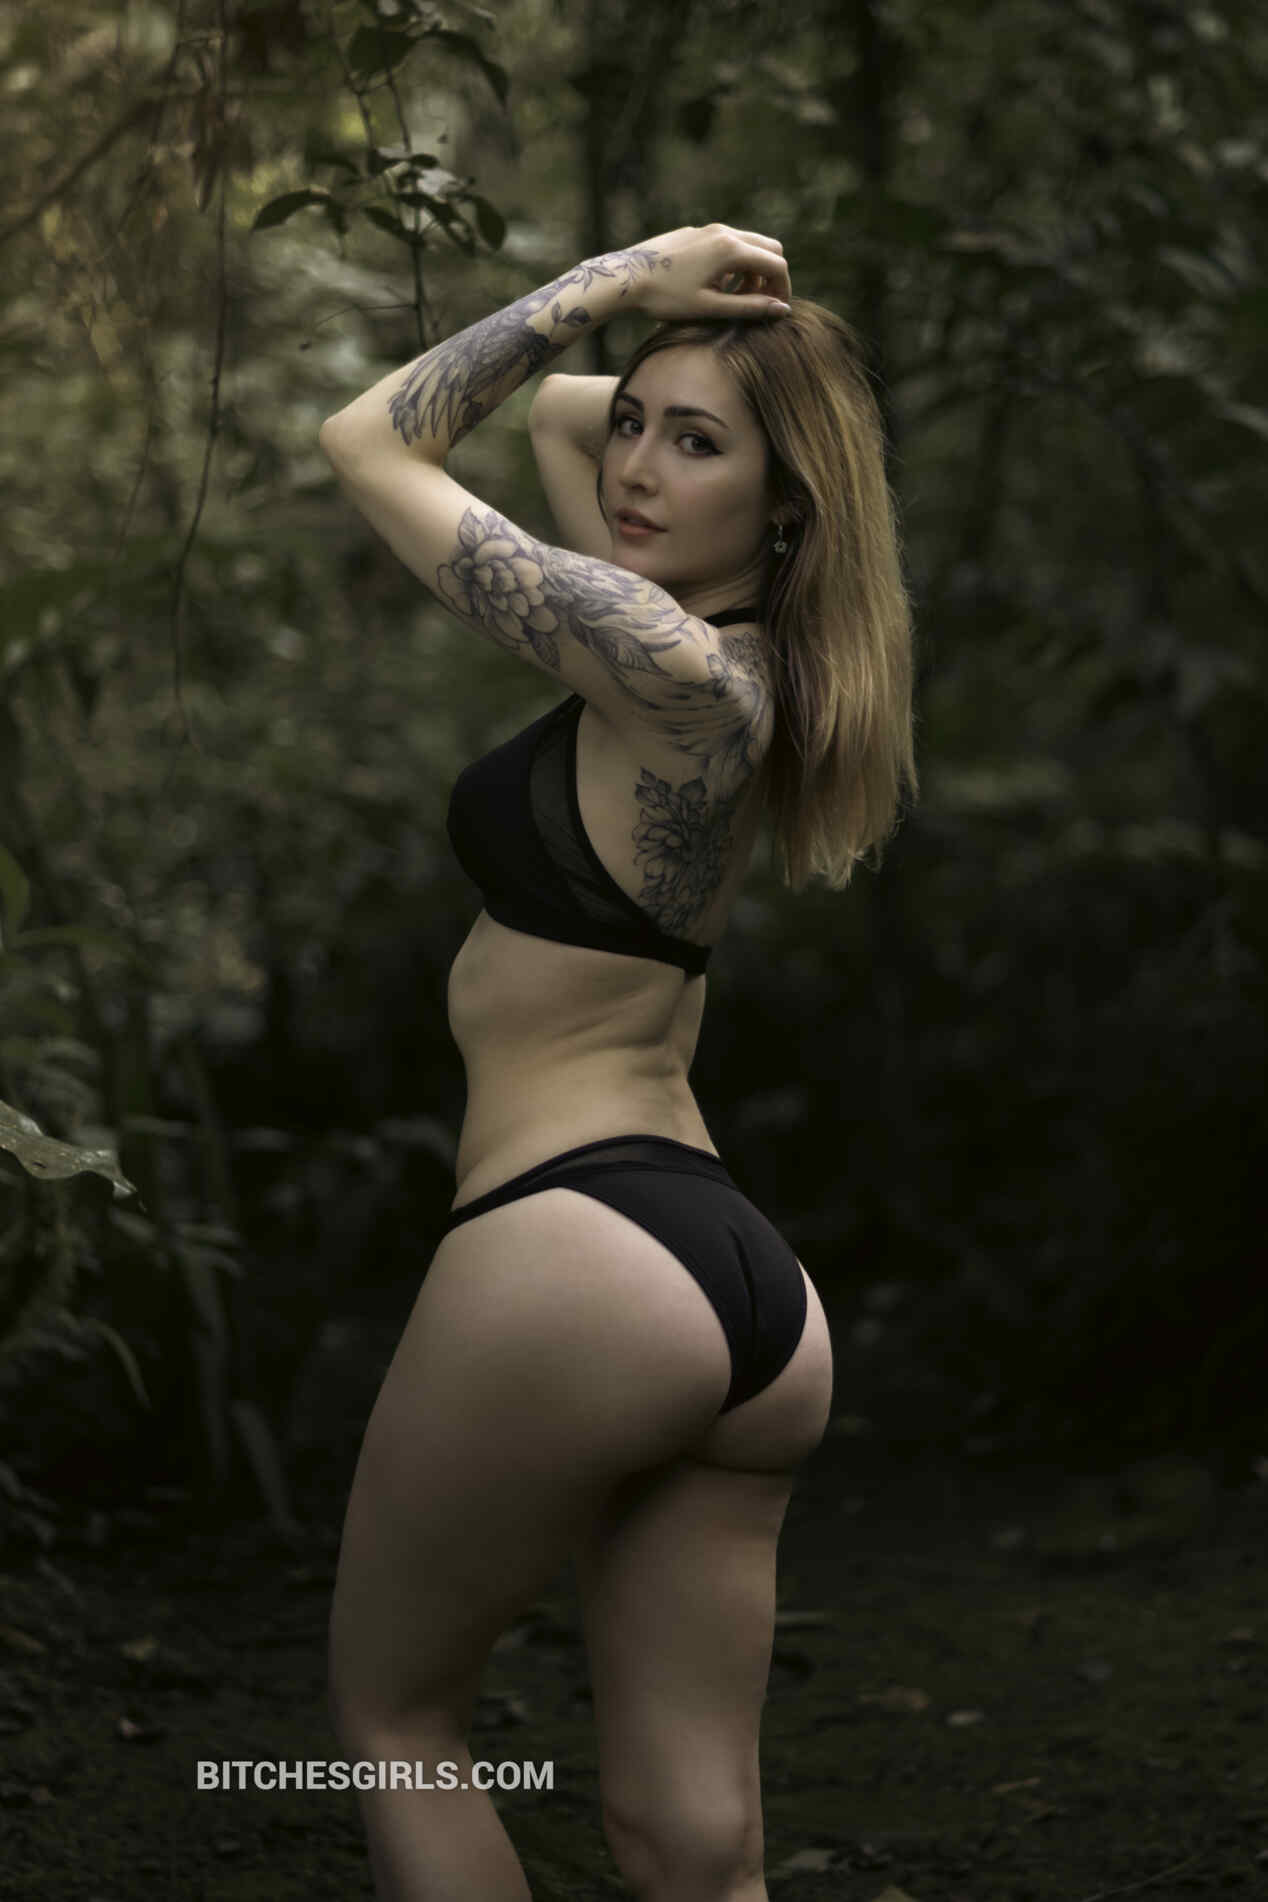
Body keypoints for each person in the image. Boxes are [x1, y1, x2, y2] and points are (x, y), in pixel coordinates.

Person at [318, 224, 916, 1901]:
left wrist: (629, 275)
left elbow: (370, 439)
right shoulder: (736, 662)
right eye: (645, 426)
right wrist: (689, 373)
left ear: (787, 510)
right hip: (741, 1289)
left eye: (697, 445)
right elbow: (565, 416)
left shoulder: (662, 668)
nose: (638, 464)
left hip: (573, 1241)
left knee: (395, 1718)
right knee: (694, 1846)